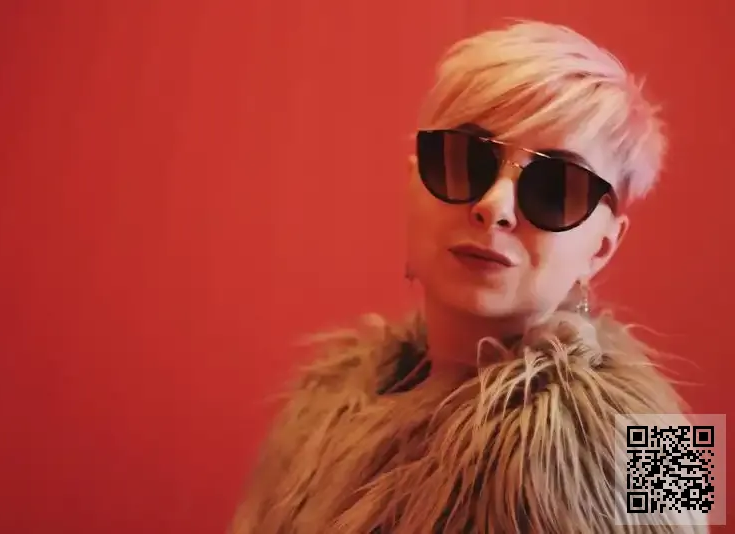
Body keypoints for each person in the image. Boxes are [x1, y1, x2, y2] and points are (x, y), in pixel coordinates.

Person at [229, 20, 709, 533]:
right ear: (413, 184)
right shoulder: (318, 404)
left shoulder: (659, 436)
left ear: (603, 246)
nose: (494, 205)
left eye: (555, 187)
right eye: (464, 160)